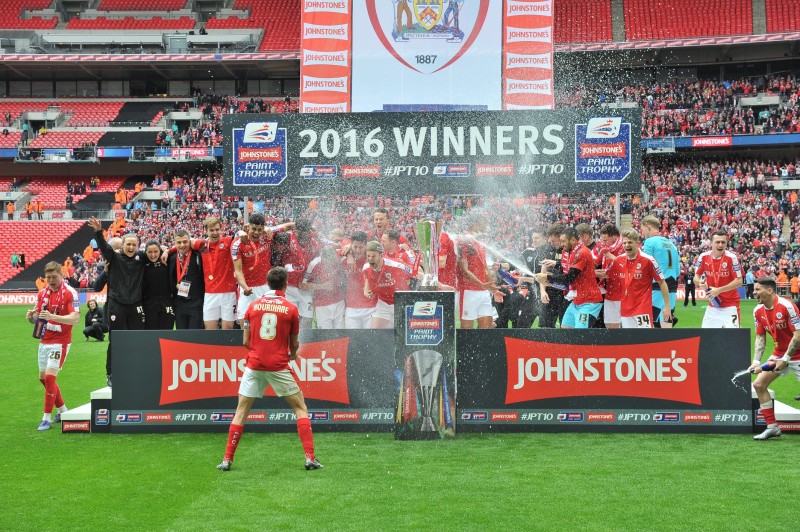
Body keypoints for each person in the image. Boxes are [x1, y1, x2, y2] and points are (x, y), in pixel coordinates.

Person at [217, 266, 322, 471]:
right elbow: (294, 345)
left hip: (254, 365)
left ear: (267, 283)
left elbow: (246, 341)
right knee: (300, 408)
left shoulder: (253, 306)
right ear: (285, 284)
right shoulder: (291, 309)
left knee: (241, 412)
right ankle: (310, 458)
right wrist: (291, 355)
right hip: (278, 366)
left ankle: (227, 460)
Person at [88, 217, 147, 387]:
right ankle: (111, 374)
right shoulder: (114, 259)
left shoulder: (141, 258)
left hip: (136, 305)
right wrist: (99, 232)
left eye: (133, 245)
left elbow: (156, 250)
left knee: (136, 340)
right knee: (116, 341)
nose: (130, 247)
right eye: (127, 244)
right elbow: (105, 248)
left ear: (137, 246)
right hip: (117, 306)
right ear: (122, 246)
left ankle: (135, 370)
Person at [25, 261, 79, 430]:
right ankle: (63, 411)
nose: (51, 280)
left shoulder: (70, 293)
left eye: (54, 277)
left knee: (49, 378)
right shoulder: (42, 293)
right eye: (48, 277)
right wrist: (31, 317)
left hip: (61, 341)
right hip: (44, 339)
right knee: (43, 378)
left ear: (61, 275)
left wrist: (52, 317)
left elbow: (75, 319)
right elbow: (39, 319)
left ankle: (46, 418)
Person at [749, 277, 800, 440]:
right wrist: (756, 361)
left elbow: (798, 335)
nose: (754, 292)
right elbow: (760, 338)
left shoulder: (787, 306)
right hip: (779, 354)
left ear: (769, 291)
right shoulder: (757, 310)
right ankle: (772, 427)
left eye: (757, 289)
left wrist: (786, 358)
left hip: (797, 354)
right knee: (758, 384)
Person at [535, 226, 603, 329]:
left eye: (563, 241)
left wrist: (547, 278)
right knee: (565, 329)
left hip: (590, 301)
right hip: (577, 300)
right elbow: (564, 267)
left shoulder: (582, 252)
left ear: (573, 240)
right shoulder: (567, 251)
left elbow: (569, 278)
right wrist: (556, 265)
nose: (561, 244)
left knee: (580, 333)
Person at [604, 230, 672, 328]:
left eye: (630, 242)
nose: (627, 245)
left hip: (642, 308)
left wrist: (667, 305)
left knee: (646, 339)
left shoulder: (648, 260)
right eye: (624, 243)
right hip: (626, 309)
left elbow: (662, 282)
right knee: (630, 341)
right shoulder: (618, 261)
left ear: (637, 243)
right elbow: (607, 274)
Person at [694, 230, 743, 328]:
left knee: (733, 339)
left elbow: (739, 281)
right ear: (711, 243)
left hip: (730, 305)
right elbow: (696, 277)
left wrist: (718, 290)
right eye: (717, 242)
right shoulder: (703, 257)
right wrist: (700, 283)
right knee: (706, 338)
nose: (720, 245)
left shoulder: (732, 258)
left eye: (723, 242)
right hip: (713, 304)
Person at [456, 216, 496, 329]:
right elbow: (464, 270)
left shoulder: (480, 243)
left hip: (483, 291)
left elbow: (485, 268)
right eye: (483, 223)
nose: (485, 227)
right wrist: (481, 284)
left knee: (487, 326)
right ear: (475, 224)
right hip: (468, 290)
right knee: (467, 328)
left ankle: (483, 347)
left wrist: (493, 288)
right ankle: (465, 347)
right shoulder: (463, 241)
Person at [641, 215, 680, 327]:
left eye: (643, 229)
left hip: (656, 286)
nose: (642, 232)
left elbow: (646, 265)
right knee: (666, 325)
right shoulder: (672, 244)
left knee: (649, 324)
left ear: (648, 227)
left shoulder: (649, 242)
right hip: (672, 287)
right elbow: (677, 271)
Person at [363, 241, 414, 329]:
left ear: (381, 255)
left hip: (401, 303)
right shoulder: (366, 268)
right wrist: (366, 290)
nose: (370, 259)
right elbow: (368, 277)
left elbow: (416, 272)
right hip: (384, 303)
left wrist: (439, 284)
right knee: (374, 332)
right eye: (368, 256)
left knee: (404, 334)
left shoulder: (396, 265)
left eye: (373, 256)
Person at [199, 216, 238, 330]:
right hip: (210, 293)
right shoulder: (201, 245)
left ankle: (227, 349)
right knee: (209, 330)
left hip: (229, 292)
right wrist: (167, 250)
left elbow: (241, 234)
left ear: (221, 229)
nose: (215, 232)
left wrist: (240, 231)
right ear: (206, 231)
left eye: (217, 229)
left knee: (228, 329)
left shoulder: (228, 241)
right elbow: (185, 244)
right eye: (211, 230)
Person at [301, 246, 346, 329]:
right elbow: (302, 285)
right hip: (322, 305)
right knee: (326, 336)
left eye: (333, 260)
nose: (330, 263)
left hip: (339, 302)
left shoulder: (339, 255)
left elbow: (349, 248)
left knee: (341, 334)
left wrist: (350, 256)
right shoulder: (314, 264)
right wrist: (322, 286)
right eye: (328, 262)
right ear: (322, 257)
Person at [168, 229, 205, 330]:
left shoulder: (198, 255)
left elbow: (205, 244)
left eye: (185, 242)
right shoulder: (171, 257)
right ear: (174, 243)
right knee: (182, 336)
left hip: (196, 303)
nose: (182, 245)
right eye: (179, 242)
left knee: (194, 336)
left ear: (190, 241)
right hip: (179, 304)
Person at [341, 231, 376, 329]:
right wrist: (349, 255)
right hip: (351, 308)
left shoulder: (372, 258)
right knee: (353, 341)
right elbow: (332, 246)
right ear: (351, 245)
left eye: (361, 247)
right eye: (355, 247)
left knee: (371, 340)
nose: (358, 250)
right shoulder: (344, 257)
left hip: (371, 307)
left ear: (366, 246)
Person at [538, 223, 568, 328]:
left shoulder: (569, 250)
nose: (552, 243)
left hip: (565, 294)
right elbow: (543, 273)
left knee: (565, 328)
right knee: (545, 327)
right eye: (550, 241)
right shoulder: (548, 249)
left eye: (554, 241)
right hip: (550, 293)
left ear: (562, 237)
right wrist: (542, 291)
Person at [594, 223, 624, 328]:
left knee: (622, 326)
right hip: (609, 291)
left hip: (621, 293)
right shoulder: (606, 249)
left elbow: (626, 266)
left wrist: (608, 255)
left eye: (605, 240)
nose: (603, 243)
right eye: (602, 240)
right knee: (608, 324)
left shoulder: (624, 247)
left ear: (615, 238)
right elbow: (595, 262)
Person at [517, 227, 546, 329]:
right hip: (531, 295)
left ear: (544, 239)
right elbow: (514, 264)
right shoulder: (528, 251)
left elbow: (543, 278)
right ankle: (521, 344)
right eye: (533, 238)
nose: (534, 240)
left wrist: (524, 279)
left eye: (537, 238)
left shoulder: (548, 252)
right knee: (521, 324)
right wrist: (500, 265)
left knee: (545, 328)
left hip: (544, 295)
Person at [143, 239, 175, 330]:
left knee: (166, 334)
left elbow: (182, 246)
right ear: (146, 252)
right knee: (150, 335)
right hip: (148, 304)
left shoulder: (167, 258)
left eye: (156, 251)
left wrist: (168, 250)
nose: (153, 255)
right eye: (150, 252)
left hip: (167, 302)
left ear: (160, 250)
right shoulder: (142, 260)